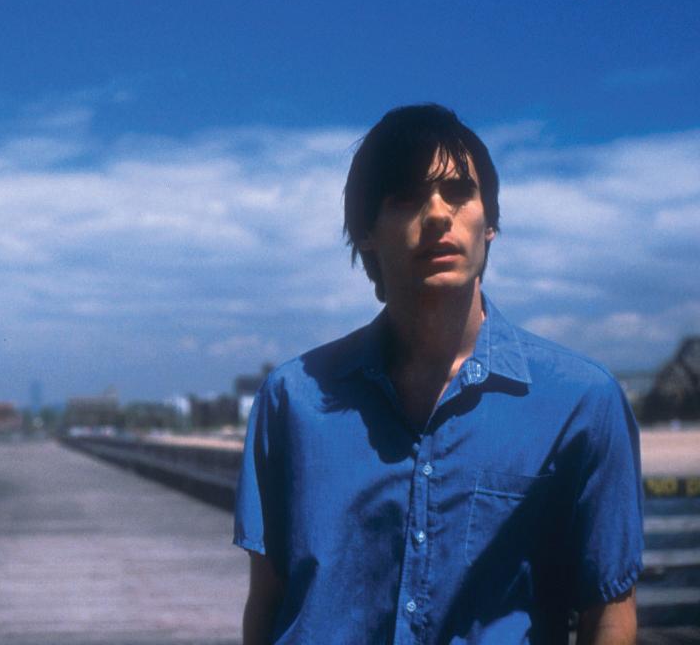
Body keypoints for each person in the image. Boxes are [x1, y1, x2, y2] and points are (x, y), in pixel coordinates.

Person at [235, 104, 643, 644]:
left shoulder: (581, 403)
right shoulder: (293, 400)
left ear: (489, 223)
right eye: (405, 197)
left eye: (458, 192)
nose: (436, 214)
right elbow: (267, 602)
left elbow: (608, 611)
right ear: (367, 233)